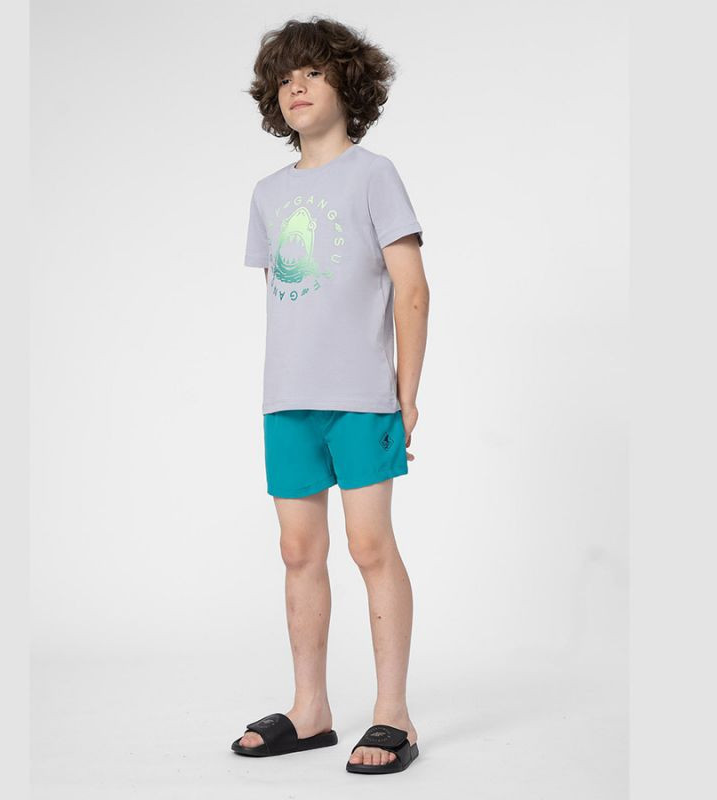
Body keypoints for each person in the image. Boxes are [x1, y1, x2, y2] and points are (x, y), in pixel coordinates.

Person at [231, 16, 430, 775]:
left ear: (349, 82)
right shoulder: (268, 194)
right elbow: (289, 298)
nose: (297, 86)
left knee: (370, 546)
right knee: (297, 551)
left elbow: (411, 290)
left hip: (361, 398)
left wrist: (405, 394)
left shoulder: (374, 175)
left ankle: (393, 713)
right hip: (287, 400)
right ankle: (309, 708)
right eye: (285, 78)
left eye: (313, 72)